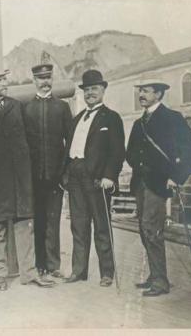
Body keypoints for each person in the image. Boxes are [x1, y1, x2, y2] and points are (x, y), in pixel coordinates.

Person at [0, 59, 56, 291]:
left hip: (20, 179)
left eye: (5, 78)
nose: (5, 83)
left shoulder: (16, 106)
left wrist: (32, 174)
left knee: (25, 224)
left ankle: (29, 273)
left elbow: (29, 140)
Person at [127, 75, 191, 297]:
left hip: (158, 183)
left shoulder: (172, 118)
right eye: (140, 90)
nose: (141, 95)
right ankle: (155, 274)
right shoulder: (139, 123)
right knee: (145, 229)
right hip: (140, 182)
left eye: (146, 91)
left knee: (152, 229)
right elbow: (130, 151)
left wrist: (176, 176)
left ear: (158, 94)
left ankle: (160, 282)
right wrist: (140, 167)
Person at [62, 69, 125, 287]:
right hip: (75, 175)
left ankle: (107, 272)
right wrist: (66, 174)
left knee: (101, 225)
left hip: (97, 179)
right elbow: (68, 148)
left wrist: (109, 176)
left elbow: (117, 152)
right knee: (78, 225)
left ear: (103, 90)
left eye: (94, 89)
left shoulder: (112, 118)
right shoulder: (77, 118)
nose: (90, 93)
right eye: (86, 89)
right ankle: (79, 271)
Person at [22, 63, 72, 278]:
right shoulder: (27, 108)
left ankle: (53, 265)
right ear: (34, 81)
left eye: (48, 77)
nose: (45, 81)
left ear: (52, 79)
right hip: (34, 177)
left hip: (55, 177)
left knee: (53, 221)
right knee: (37, 221)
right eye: (40, 78)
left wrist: (64, 174)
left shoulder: (62, 107)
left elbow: (69, 143)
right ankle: (38, 264)